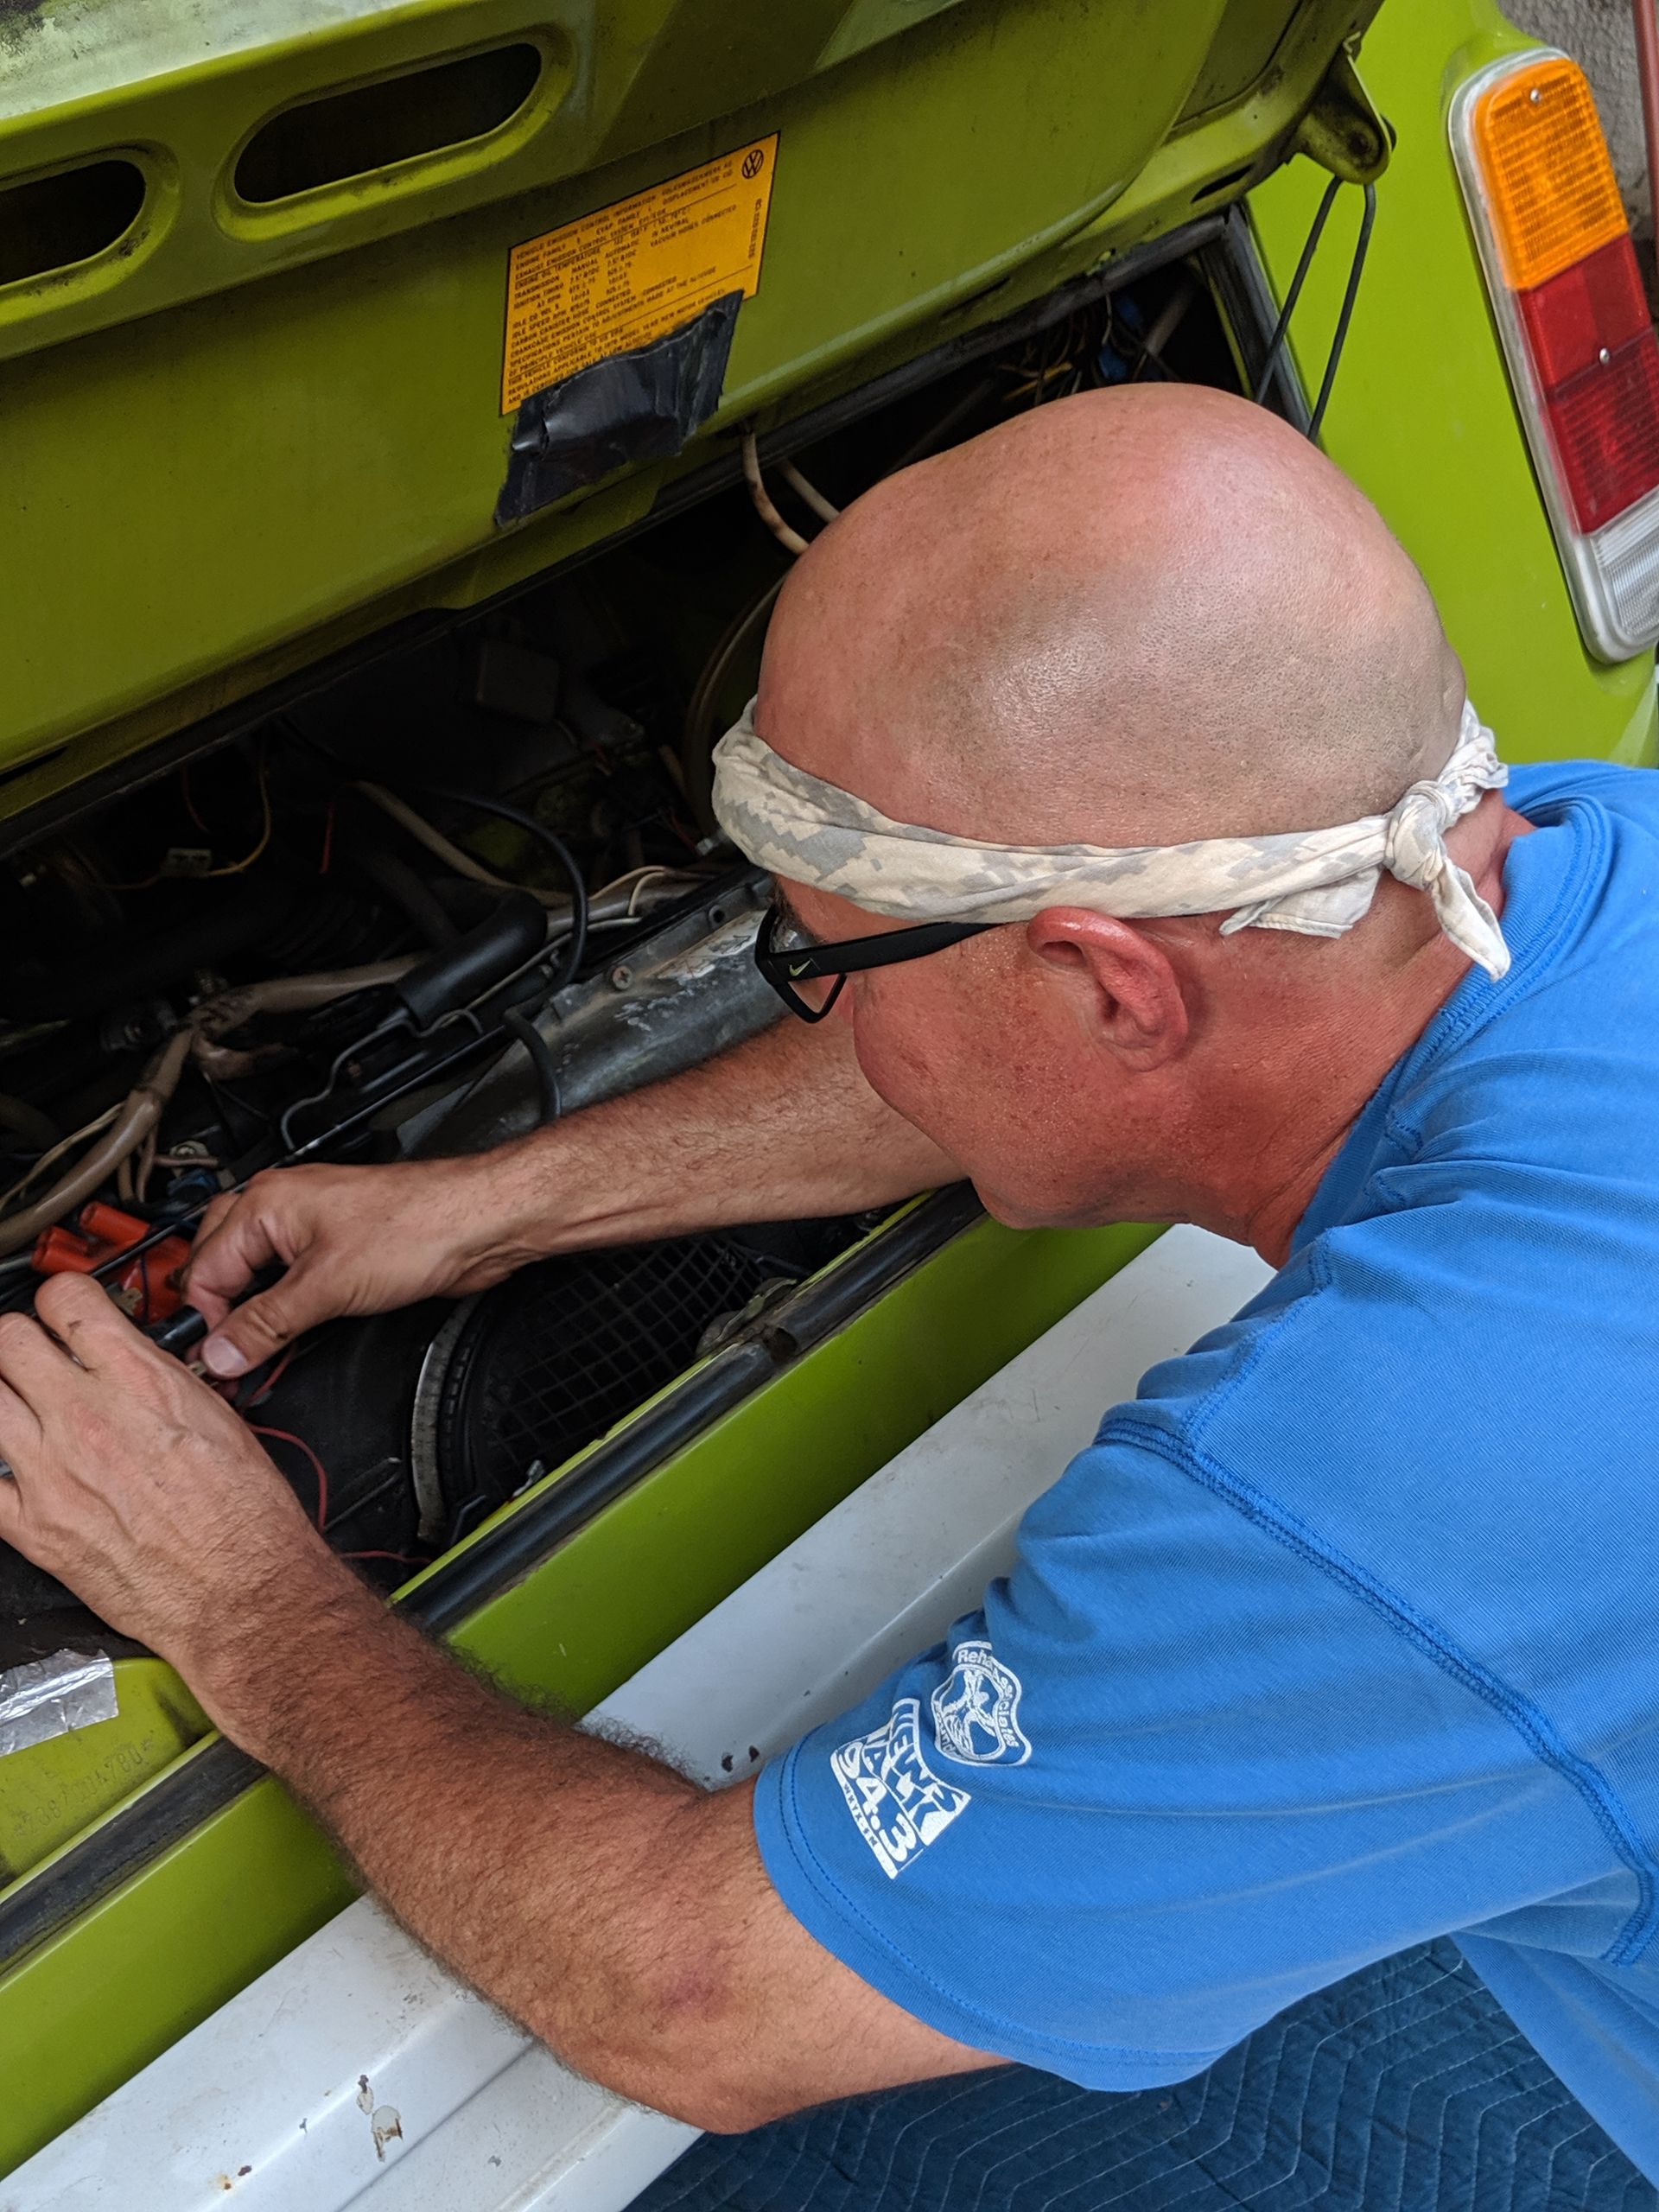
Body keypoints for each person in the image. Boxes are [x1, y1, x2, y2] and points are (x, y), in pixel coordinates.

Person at [2, 385, 1657, 2179]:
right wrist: (485, 1203)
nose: (825, 1004)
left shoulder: (1376, 1483)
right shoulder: (1547, 861)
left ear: (1114, 987)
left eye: (827, 954)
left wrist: (238, 1592)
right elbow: (1038, 1064)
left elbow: (691, 1991)